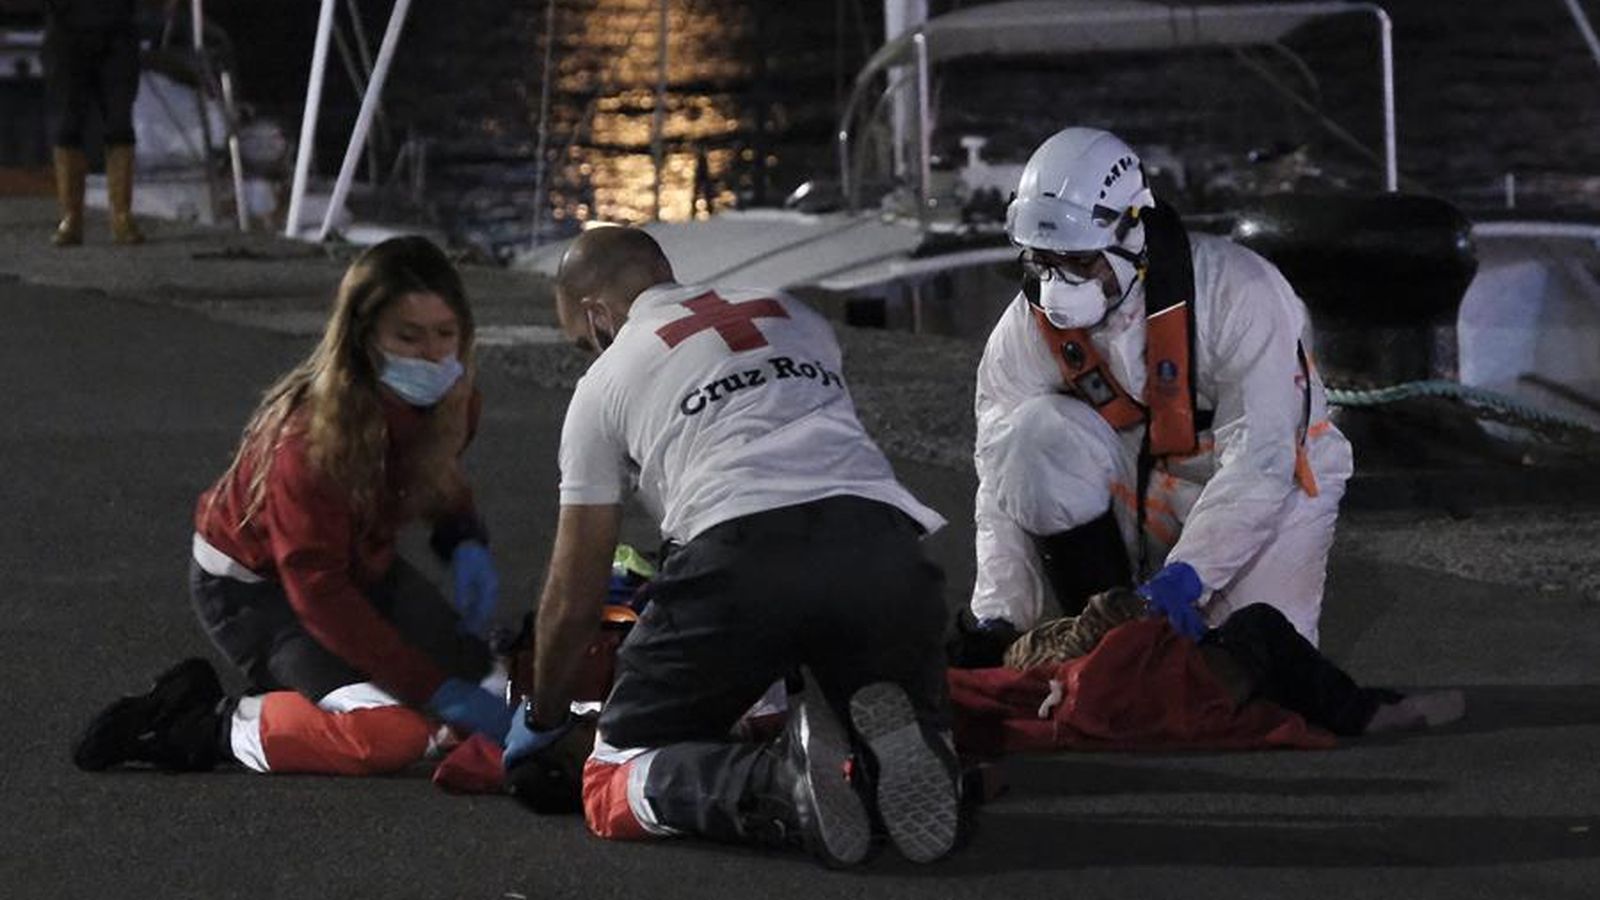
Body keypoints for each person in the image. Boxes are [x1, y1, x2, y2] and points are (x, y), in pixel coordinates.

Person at [503, 226, 961, 867]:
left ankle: (779, 788)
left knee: (610, 778)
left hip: (741, 556)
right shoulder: (795, 317)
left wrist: (545, 716)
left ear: (597, 315)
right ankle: (914, 748)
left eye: (585, 343)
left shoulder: (604, 382)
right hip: (884, 549)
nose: (590, 353)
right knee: (856, 701)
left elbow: (574, 590)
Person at [72, 236, 512, 776]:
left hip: (354, 565)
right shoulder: (307, 440)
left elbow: (435, 472)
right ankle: (205, 724)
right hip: (257, 592)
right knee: (390, 734)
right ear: (364, 339)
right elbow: (318, 589)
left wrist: (463, 536)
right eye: (409, 337)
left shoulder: (452, 399)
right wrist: (433, 688)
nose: (434, 355)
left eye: (447, 334)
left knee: (496, 684)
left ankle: (327, 688)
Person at [954, 126, 1353, 667]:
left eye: (1079, 263)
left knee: (1260, 671)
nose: (1057, 287)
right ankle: (1099, 634)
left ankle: (1158, 614)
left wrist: (1186, 579)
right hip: (1135, 471)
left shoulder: (1240, 294)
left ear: (1132, 232)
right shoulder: (1025, 329)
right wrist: (997, 615)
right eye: (1043, 261)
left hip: (1263, 480)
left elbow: (1261, 459)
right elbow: (999, 478)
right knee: (1028, 435)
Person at [1002, 591, 1465, 738]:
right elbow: (1089, 651)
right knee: (1259, 625)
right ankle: (1367, 714)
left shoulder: (1019, 665)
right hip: (1174, 686)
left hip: (1160, 677)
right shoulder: (1023, 658)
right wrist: (1123, 611)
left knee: (1255, 641)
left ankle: (1356, 706)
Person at [43, 0, 146, 246]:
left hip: (117, 29)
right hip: (66, 28)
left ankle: (121, 215)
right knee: (67, 124)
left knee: (119, 120)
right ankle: (71, 217)